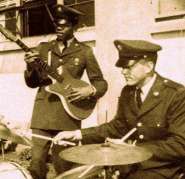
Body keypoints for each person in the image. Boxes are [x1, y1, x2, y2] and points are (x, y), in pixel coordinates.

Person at [54, 40, 185, 179]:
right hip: (132, 165)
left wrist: (133, 150)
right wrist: (78, 134)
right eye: (122, 67)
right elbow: (118, 127)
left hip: (163, 169)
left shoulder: (175, 94)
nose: (123, 72)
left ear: (148, 67)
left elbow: (180, 145)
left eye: (128, 67)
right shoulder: (128, 92)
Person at [24, 4, 108, 179]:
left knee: (64, 165)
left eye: (64, 26)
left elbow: (100, 83)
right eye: (57, 26)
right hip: (43, 114)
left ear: (74, 27)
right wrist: (30, 66)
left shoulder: (84, 51)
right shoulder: (44, 48)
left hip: (69, 114)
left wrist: (90, 91)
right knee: (37, 163)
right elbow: (32, 83)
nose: (59, 29)